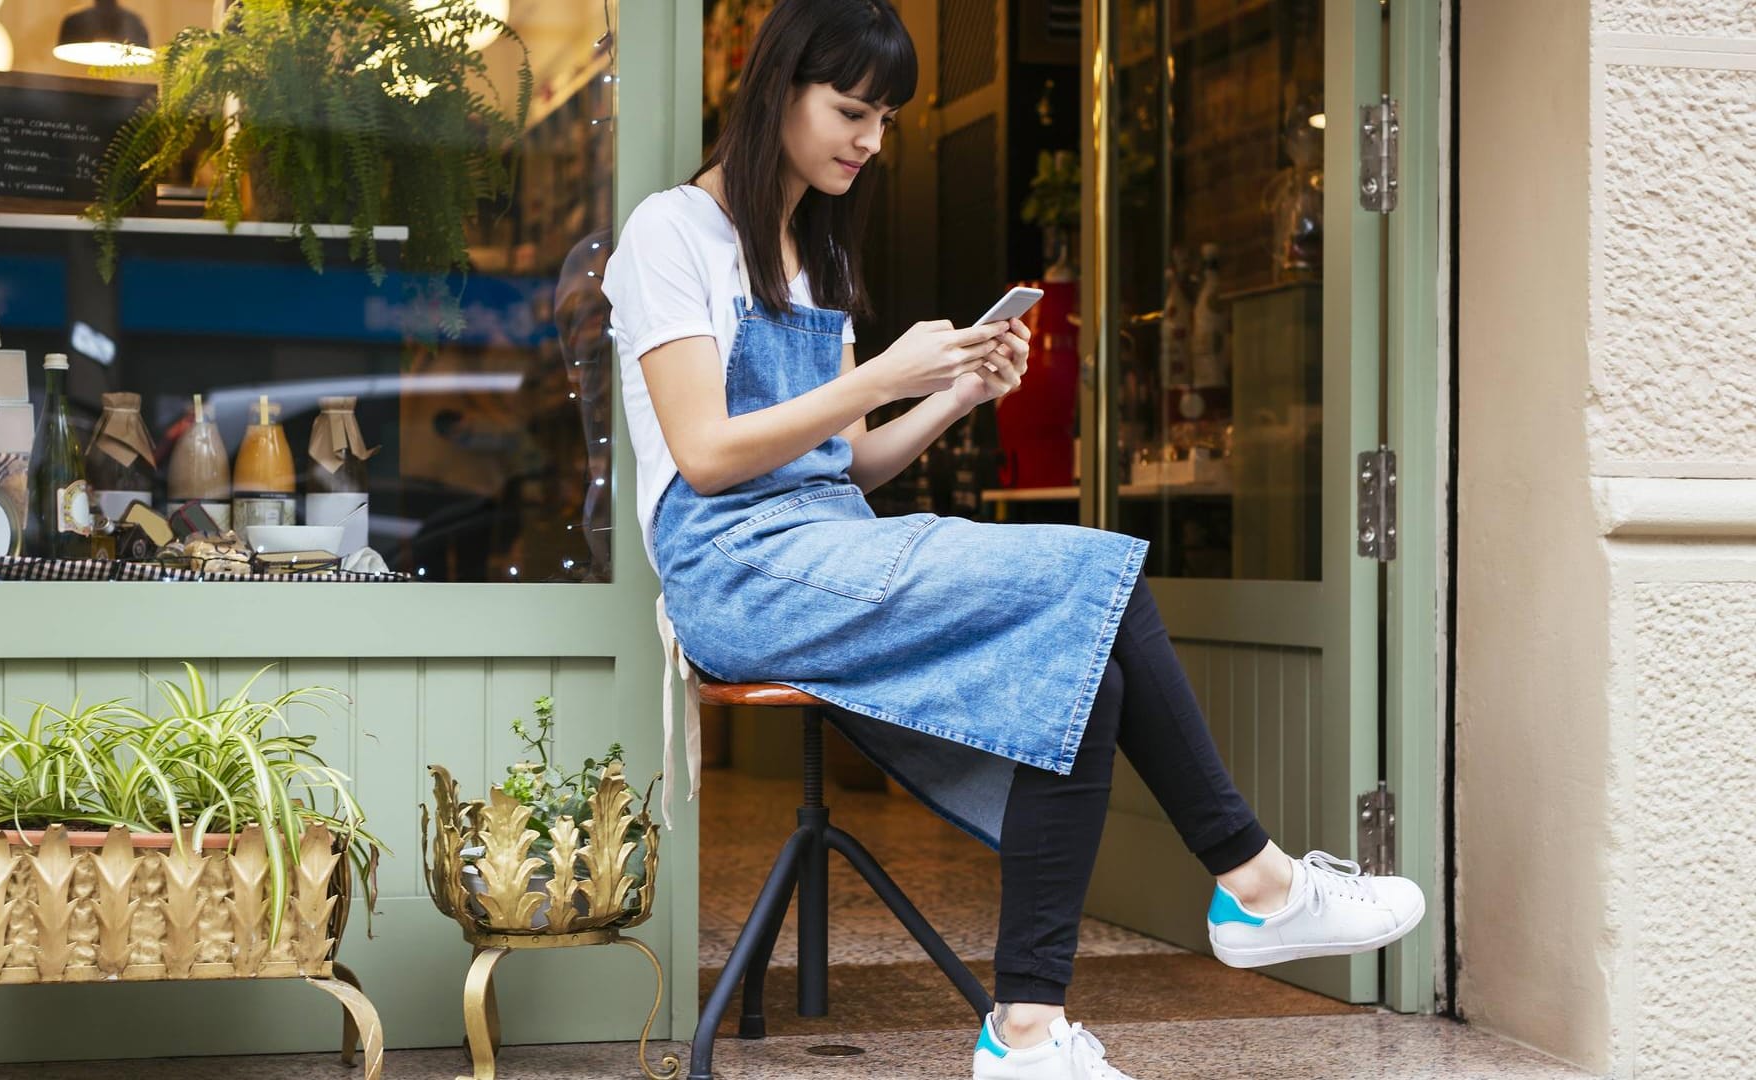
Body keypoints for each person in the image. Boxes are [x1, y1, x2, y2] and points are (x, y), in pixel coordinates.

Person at [601, 1, 1425, 1076]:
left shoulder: (818, 256)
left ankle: (1028, 1030)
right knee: (1089, 583)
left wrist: (951, 395)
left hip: (826, 540)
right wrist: (883, 372)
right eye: (851, 109)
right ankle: (1253, 882)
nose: (870, 139)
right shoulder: (671, 231)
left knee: (1073, 647)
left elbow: (850, 462)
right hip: (734, 567)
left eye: (886, 118)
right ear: (776, 91)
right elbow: (705, 453)